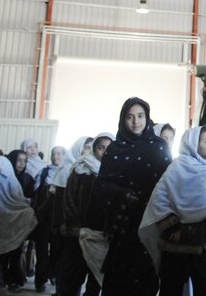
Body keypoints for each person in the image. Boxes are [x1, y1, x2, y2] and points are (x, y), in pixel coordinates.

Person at [94, 97, 172, 296]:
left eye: (140, 116)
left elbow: (167, 184)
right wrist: (123, 195)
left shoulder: (159, 146)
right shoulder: (114, 149)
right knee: (119, 279)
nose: (136, 122)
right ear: (122, 120)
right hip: (122, 225)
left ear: (147, 118)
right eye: (129, 117)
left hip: (149, 224)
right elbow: (101, 185)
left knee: (146, 277)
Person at [138, 126, 206, 296]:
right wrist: (172, 224)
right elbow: (159, 200)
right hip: (174, 244)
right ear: (192, 144)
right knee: (171, 288)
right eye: (205, 142)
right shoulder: (176, 168)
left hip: (199, 244)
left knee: (202, 288)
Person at [59, 133, 113, 296]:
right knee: (73, 276)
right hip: (79, 233)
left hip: (100, 235)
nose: (104, 152)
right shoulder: (81, 168)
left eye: (108, 149)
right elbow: (69, 198)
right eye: (100, 148)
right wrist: (73, 225)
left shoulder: (114, 172)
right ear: (94, 149)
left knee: (95, 279)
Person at [0, 154, 38, 296]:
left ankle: (0, 283)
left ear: (3, 168)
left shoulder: (11, 183)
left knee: (3, 257)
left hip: (6, 229)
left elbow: (17, 203)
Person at [32, 145, 66, 291]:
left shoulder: (67, 172)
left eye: (59, 154)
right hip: (44, 218)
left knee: (57, 250)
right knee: (41, 250)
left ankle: (54, 276)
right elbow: (36, 192)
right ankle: (40, 280)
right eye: (53, 154)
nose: (56, 157)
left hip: (59, 219)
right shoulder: (44, 172)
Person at [5, 149, 36, 289]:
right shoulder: (5, 176)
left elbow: (32, 199)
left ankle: (14, 279)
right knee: (3, 253)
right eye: (19, 160)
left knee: (17, 252)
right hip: (3, 221)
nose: (21, 164)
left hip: (19, 222)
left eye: (24, 161)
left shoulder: (28, 179)